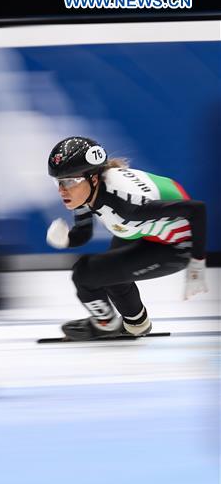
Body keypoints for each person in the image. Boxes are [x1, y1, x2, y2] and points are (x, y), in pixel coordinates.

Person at [45, 136, 208, 340]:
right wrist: (67, 239)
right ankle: (136, 324)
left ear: (93, 179)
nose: (62, 190)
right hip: (145, 228)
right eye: (58, 182)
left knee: (85, 273)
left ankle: (105, 324)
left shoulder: (125, 206)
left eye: (69, 181)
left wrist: (197, 262)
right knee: (108, 271)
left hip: (177, 244)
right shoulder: (86, 190)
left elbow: (196, 209)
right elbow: (83, 232)